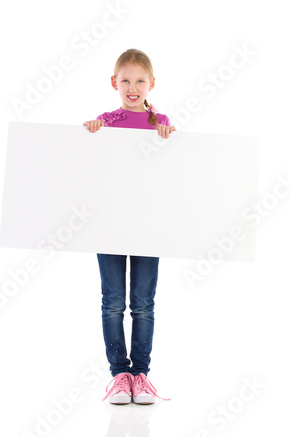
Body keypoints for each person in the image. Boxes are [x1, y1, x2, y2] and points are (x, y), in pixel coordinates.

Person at [83, 49, 175, 404]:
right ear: (114, 83)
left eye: (140, 81)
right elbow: (91, 165)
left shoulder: (159, 123)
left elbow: (171, 173)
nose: (132, 87)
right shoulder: (106, 121)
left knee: (143, 303)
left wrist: (171, 139)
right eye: (126, 81)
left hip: (148, 225)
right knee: (113, 303)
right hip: (108, 222)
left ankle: (141, 375)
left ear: (151, 84)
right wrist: (93, 130)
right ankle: (120, 375)